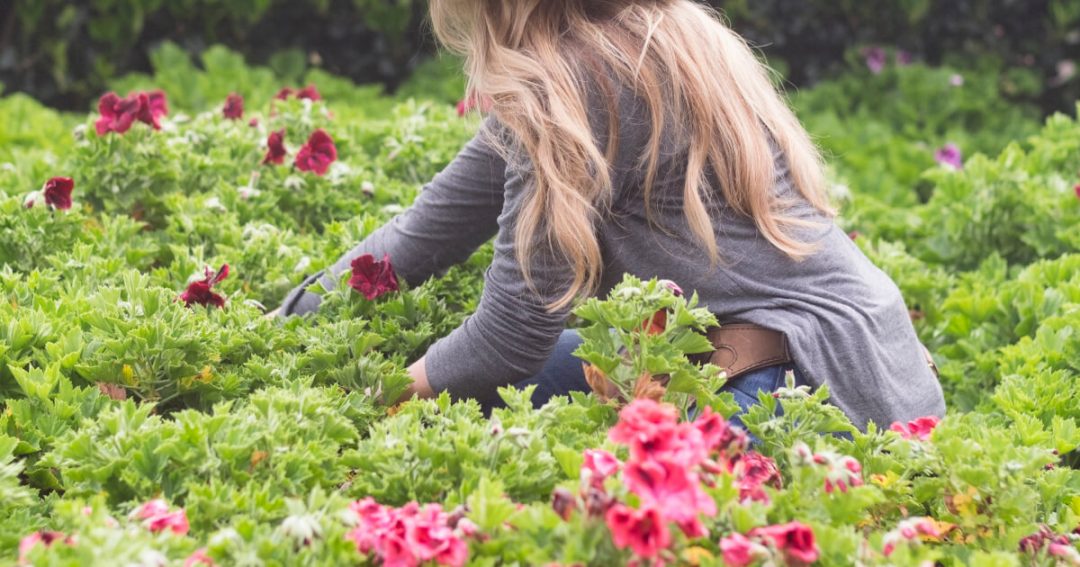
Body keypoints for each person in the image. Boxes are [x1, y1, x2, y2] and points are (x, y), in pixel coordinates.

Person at [277, 0, 946, 431]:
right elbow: (420, 236)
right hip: (877, 359)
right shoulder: (660, 31)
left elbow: (507, 338)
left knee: (602, 500)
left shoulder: (574, 87)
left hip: (819, 386)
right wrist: (278, 329)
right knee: (511, 381)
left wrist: (361, 408)